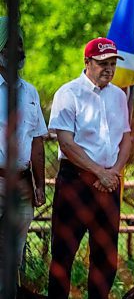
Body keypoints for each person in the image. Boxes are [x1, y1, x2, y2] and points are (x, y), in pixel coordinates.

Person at [47, 37, 131, 299]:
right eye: (102, 63)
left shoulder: (119, 95)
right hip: (76, 181)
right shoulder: (68, 93)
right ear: (87, 62)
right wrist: (99, 172)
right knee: (64, 254)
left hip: (109, 182)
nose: (109, 69)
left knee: (106, 258)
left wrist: (114, 171)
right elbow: (66, 142)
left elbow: (126, 137)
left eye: (113, 64)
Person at [0, 17, 47, 295]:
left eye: (20, 46)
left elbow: (38, 141)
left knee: (13, 258)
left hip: (22, 184)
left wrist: (39, 184)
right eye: (9, 46)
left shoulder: (30, 92)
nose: (16, 52)